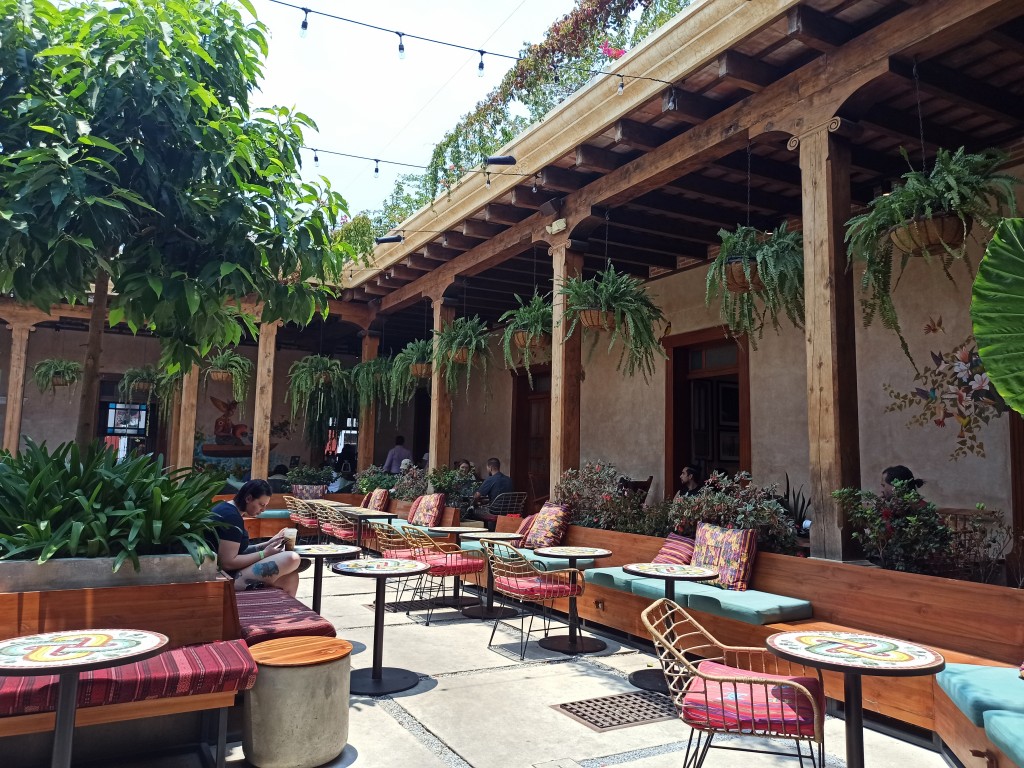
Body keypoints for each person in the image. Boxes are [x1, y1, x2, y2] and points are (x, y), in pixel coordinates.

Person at [208, 479, 303, 596]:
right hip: (226, 576)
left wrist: (268, 543)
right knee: (292, 558)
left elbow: (238, 552)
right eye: (261, 505)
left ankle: (281, 610)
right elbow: (227, 562)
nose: (263, 510)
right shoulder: (231, 517)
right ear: (248, 499)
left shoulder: (228, 509)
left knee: (291, 577)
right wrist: (265, 554)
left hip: (231, 572)